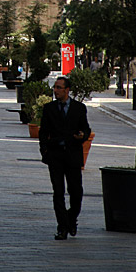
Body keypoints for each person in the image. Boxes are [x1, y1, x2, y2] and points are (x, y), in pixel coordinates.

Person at [39, 76, 91, 240]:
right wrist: (44, 152)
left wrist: (82, 136)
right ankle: (62, 227)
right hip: (55, 155)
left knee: (76, 192)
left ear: (67, 90)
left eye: (59, 88)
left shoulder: (79, 108)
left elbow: (86, 129)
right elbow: (42, 133)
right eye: (55, 87)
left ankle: (71, 218)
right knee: (58, 192)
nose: (55, 91)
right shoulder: (49, 108)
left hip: (73, 155)